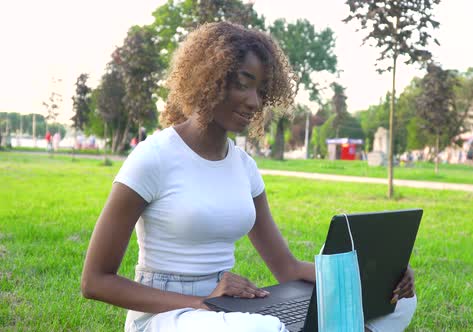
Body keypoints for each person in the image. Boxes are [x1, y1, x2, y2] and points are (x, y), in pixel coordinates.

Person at [81, 22, 416, 332]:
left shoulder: (244, 167)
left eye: (261, 91)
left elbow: (286, 268)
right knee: (262, 329)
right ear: (208, 78)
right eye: (243, 84)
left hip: (226, 308)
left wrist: (368, 279)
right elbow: (95, 281)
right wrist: (200, 302)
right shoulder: (153, 157)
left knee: (400, 304)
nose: (255, 102)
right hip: (164, 314)